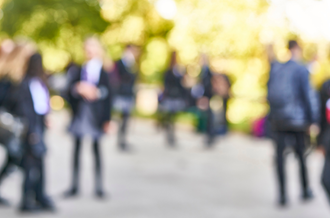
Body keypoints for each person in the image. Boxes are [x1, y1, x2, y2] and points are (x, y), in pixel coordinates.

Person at [267, 40, 319, 206]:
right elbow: (307, 96)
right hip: (298, 120)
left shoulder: (276, 67)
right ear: (297, 49)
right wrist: (313, 120)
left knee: (280, 157)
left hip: (279, 120)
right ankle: (304, 190)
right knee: (301, 156)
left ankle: (282, 195)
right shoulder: (301, 69)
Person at [4, 51, 55, 212]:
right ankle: (26, 200)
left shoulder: (38, 82)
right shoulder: (25, 83)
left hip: (38, 126)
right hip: (31, 129)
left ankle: (39, 196)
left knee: (38, 163)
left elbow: (42, 105)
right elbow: (26, 110)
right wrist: (32, 132)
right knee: (30, 164)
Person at [63, 37, 111, 198]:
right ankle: (74, 185)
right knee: (76, 149)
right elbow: (69, 90)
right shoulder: (78, 69)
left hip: (96, 114)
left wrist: (96, 93)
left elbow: (109, 95)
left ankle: (99, 186)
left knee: (96, 149)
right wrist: (78, 89)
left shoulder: (104, 71)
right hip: (81, 113)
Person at [0, 40, 37, 207]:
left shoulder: (22, 78)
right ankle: (29, 199)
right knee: (21, 160)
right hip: (10, 125)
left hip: (16, 125)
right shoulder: (9, 79)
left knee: (14, 160)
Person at [113, 45, 139, 151]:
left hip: (128, 94)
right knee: (121, 118)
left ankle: (123, 139)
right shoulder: (120, 63)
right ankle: (120, 140)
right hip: (121, 93)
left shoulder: (132, 64)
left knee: (126, 118)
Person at [159, 51, 187, 146]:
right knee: (170, 117)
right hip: (170, 96)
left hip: (175, 96)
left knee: (173, 117)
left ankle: (172, 135)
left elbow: (181, 85)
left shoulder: (178, 71)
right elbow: (165, 84)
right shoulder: (169, 71)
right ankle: (169, 134)